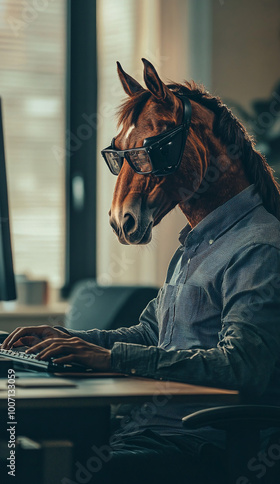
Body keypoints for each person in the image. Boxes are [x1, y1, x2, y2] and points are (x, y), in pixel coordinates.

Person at [2, 185, 280, 483]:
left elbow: (241, 364)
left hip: (197, 440)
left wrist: (113, 358)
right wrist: (69, 341)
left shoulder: (258, 247)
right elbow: (150, 333)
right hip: (141, 427)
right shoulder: (195, 245)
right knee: (18, 445)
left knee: (42, 468)